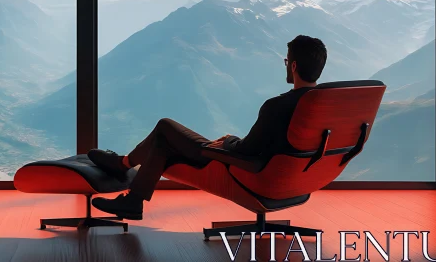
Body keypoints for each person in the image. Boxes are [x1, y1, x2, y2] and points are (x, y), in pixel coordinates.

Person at [88, 35, 328, 220]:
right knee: (162, 143)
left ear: (293, 66)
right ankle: (130, 190)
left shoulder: (278, 106)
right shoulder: (326, 106)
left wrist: (228, 141)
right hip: (291, 179)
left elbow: (247, 150)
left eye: (287, 61)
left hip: (243, 169)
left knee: (165, 127)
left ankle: (123, 168)